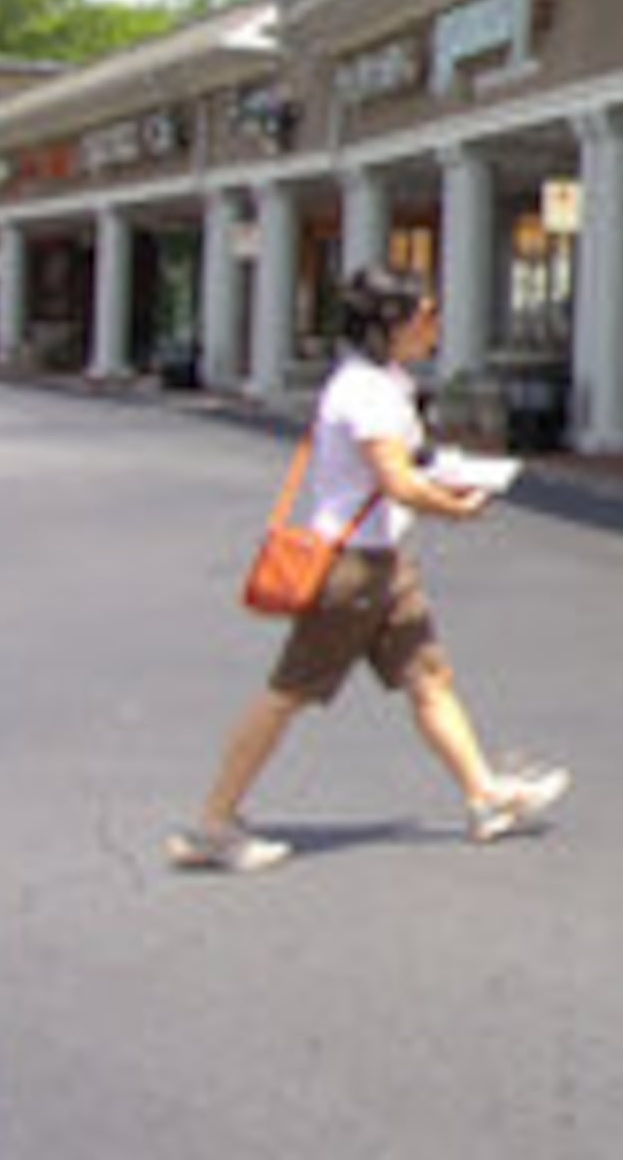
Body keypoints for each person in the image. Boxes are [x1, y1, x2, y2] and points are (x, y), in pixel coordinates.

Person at [166, 265, 568, 872]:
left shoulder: (386, 383)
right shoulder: (367, 392)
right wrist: (456, 507)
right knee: (287, 694)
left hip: (383, 563)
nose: (434, 328)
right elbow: (398, 481)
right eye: (426, 316)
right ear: (390, 324)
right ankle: (213, 825)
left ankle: (484, 796)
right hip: (350, 571)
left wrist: (449, 474)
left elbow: (406, 467)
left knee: (429, 679)